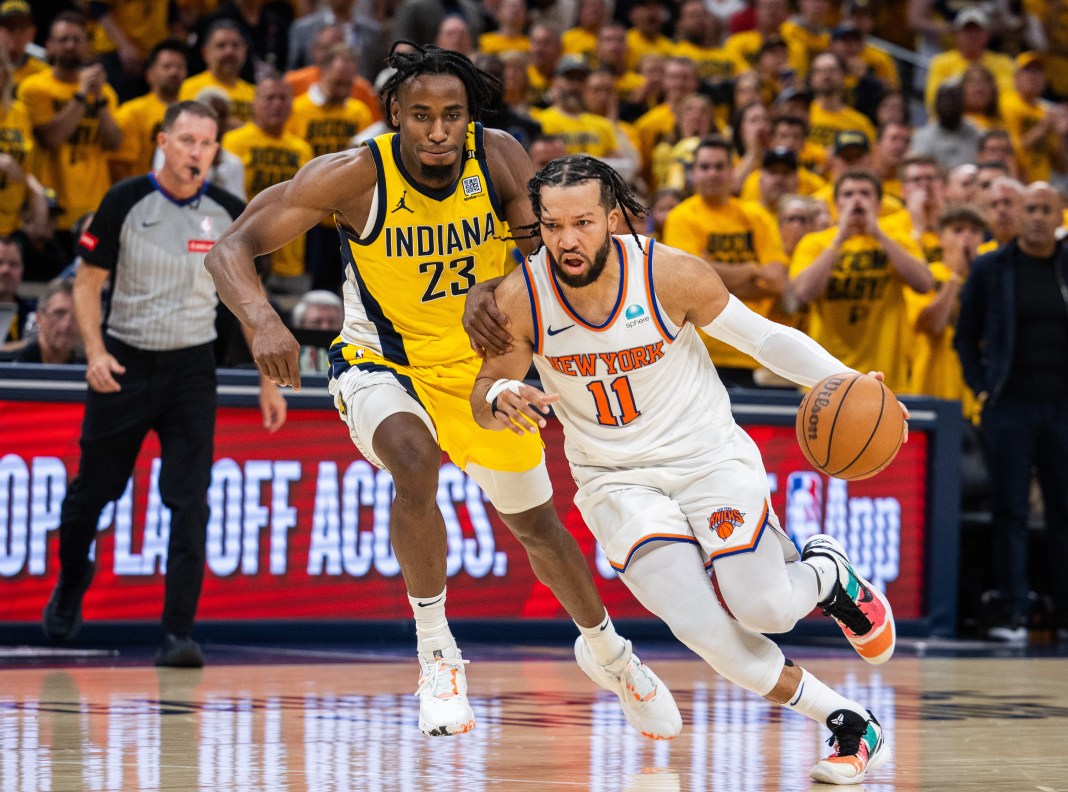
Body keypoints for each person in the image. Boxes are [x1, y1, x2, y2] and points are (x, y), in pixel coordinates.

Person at [203, 42, 681, 739]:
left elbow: (546, 261)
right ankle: (437, 654)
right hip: (382, 363)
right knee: (414, 460)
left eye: (451, 115)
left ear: (468, 117)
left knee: (539, 528)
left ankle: (610, 653)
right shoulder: (353, 176)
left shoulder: (500, 158)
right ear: (393, 113)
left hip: (482, 373)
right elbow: (230, 247)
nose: (436, 131)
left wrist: (502, 291)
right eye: (421, 115)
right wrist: (261, 320)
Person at [469, 154, 898, 785]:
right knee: (709, 635)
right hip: (616, 481)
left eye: (582, 222)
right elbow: (484, 391)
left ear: (612, 218)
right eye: (553, 225)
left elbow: (763, 338)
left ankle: (828, 575)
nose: (566, 239)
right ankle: (847, 722)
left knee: (765, 610)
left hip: (707, 459)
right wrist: (499, 399)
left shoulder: (666, 273)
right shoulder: (522, 297)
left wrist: (848, 381)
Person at [40, 100, 288, 667]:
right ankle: (72, 581)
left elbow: (250, 301)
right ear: (162, 141)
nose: (197, 152)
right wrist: (96, 353)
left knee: (189, 502)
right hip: (125, 362)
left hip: (191, 371)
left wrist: (268, 380)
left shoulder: (229, 212)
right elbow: (87, 284)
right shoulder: (125, 200)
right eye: (187, 140)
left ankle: (177, 634)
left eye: (207, 143)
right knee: (92, 496)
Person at [955, 182, 1068, 643]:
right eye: (1030, 209)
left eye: (1046, 209)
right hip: (1010, 408)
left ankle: (1063, 615)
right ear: (1016, 215)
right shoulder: (990, 268)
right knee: (1011, 512)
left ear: (1061, 216)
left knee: (1065, 512)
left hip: (1063, 409)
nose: (1037, 216)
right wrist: (983, 389)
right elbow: (965, 338)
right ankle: (1013, 612)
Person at [12, 276, 80, 363]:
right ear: (39, 318)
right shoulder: (15, 367)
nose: (67, 324)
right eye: (59, 313)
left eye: (76, 316)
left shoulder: (89, 368)